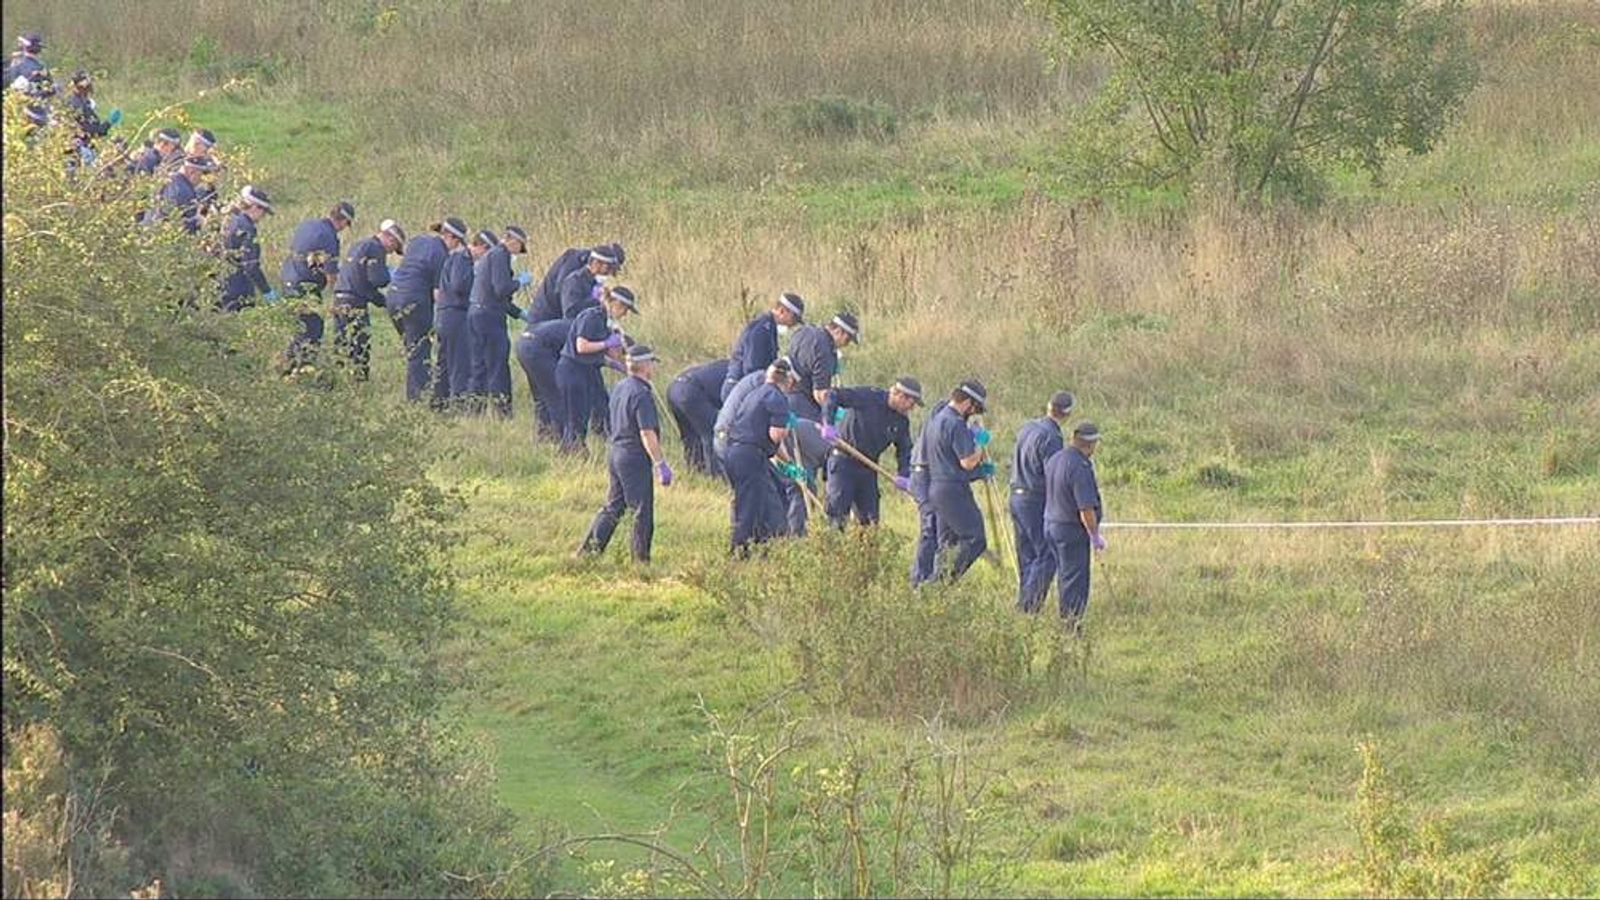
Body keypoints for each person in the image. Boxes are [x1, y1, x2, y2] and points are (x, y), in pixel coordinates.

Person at [579, 344, 673, 564]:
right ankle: (640, 561)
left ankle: (588, 552)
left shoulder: (621, 387)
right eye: (652, 364)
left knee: (614, 506)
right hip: (633, 456)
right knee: (642, 511)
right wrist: (660, 463)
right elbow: (647, 433)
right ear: (646, 366)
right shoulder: (642, 394)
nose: (654, 369)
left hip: (615, 451)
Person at [781, 311, 861, 536]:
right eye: (847, 339)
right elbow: (820, 393)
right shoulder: (825, 349)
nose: (846, 344)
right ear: (838, 331)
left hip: (787, 401)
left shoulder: (804, 332)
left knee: (795, 474)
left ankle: (792, 528)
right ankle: (812, 527)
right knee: (821, 461)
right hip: (804, 407)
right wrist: (837, 412)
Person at [820, 377, 920, 528]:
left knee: (870, 521)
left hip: (868, 467)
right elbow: (833, 395)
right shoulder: (869, 396)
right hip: (843, 461)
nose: (911, 409)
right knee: (837, 516)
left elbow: (904, 450)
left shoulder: (901, 421)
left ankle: (866, 550)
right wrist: (828, 422)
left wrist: (904, 474)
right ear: (900, 396)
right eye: (910, 404)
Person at [722, 358, 797, 555]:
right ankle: (739, 551)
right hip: (750, 455)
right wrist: (787, 426)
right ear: (787, 379)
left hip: (733, 451)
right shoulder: (778, 398)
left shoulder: (755, 393)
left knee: (756, 499)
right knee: (750, 504)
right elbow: (775, 435)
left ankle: (761, 544)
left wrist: (788, 464)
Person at [1011, 391, 1075, 613]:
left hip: (1016, 495)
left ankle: (1025, 596)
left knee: (1026, 554)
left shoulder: (1027, 427)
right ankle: (1027, 606)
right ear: (1067, 414)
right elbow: (1053, 473)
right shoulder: (1052, 438)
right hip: (1035, 499)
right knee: (1047, 553)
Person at [926, 380, 994, 583]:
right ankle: (941, 583)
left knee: (946, 543)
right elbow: (967, 462)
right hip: (953, 491)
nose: (973, 414)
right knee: (975, 539)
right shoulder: (955, 423)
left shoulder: (937, 419)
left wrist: (981, 473)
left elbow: (948, 459)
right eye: (975, 409)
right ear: (967, 403)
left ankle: (936, 595)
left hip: (937, 487)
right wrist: (980, 445)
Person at [278, 200, 355, 375]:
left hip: (287, 279)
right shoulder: (330, 237)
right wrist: (337, 297)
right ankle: (299, 370)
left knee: (298, 327)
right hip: (305, 287)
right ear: (343, 221)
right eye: (346, 225)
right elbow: (331, 274)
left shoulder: (308, 224)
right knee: (313, 328)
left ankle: (288, 367)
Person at [556, 285, 636, 452]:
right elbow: (582, 347)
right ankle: (572, 451)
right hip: (572, 370)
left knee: (591, 410)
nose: (625, 315)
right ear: (616, 305)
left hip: (588, 370)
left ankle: (582, 447)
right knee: (575, 415)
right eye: (625, 310)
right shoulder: (591, 317)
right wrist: (607, 343)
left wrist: (625, 367)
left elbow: (606, 355)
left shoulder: (606, 323)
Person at [1042, 422, 1106, 624]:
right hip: (1070, 531)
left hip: (1051, 524)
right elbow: (1085, 508)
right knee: (1075, 581)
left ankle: (1064, 620)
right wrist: (1094, 535)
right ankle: (1070, 627)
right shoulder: (1080, 467)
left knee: (1064, 576)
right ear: (1091, 444)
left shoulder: (1056, 459)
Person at [386, 219, 455, 402]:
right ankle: (418, 400)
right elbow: (437, 293)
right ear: (449, 236)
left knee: (412, 347)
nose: (455, 247)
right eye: (456, 242)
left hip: (393, 297)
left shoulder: (418, 241)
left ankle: (414, 394)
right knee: (420, 350)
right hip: (415, 300)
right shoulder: (441, 253)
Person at [467, 225, 531, 417]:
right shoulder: (500, 255)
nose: (518, 253)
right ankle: (502, 412)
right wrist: (519, 282)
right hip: (489, 317)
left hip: (476, 313)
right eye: (519, 247)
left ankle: (474, 411)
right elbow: (502, 289)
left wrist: (519, 313)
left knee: (478, 365)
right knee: (497, 364)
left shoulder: (491, 256)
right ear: (512, 241)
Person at [331, 218, 404, 381]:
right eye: (394, 247)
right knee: (360, 343)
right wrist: (389, 276)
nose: (391, 252)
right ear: (390, 238)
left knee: (341, 342)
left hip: (339, 297)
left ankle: (335, 378)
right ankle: (359, 381)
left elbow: (362, 282)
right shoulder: (376, 248)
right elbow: (377, 279)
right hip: (354, 301)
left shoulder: (360, 245)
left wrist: (382, 301)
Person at [722, 292, 805, 402]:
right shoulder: (761, 329)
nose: (793, 324)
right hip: (739, 388)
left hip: (747, 387)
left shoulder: (770, 328)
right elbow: (752, 366)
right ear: (782, 311)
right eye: (794, 318)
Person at [529, 241, 624, 324]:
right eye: (609, 269)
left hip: (560, 319)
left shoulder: (591, 274)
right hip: (545, 314)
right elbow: (564, 295)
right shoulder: (574, 262)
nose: (609, 274)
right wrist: (596, 300)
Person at [666, 359, 730, 476]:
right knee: (712, 435)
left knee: (690, 436)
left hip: (674, 388)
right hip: (692, 391)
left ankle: (695, 473)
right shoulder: (742, 375)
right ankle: (715, 477)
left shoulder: (728, 365)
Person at [218, 185, 276, 312]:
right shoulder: (247, 229)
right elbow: (251, 266)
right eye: (263, 212)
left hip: (220, 285)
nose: (263, 216)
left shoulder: (228, 220)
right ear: (255, 207)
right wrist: (267, 291)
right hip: (238, 291)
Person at [515, 318, 571, 440]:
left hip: (524, 343)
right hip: (537, 349)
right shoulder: (590, 331)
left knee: (541, 394)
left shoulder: (578, 323)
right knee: (557, 394)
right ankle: (564, 440)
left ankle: (545, 433)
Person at [147, 154, 215, 233]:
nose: (202, 179)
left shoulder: (171, 179)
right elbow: (187, 228)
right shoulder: (184, 191)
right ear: (192, 171)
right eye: (203, 173)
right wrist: (202, 220)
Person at [555, 243, 620, 321]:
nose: (609, 274)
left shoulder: (596, 283)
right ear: (596, 263)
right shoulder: (575, 281)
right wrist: (598, 300)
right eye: (607, 269)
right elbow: (570, 313)